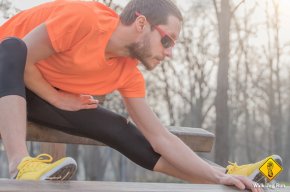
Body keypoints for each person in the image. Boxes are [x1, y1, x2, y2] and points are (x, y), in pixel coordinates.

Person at [0, 0, 282, 191]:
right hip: (8, 71)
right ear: (140, 23)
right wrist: (58, 98)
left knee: (117, 128)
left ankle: (229, 172)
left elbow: (161, 138)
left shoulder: (128, 73)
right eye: (167, 40)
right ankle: (21, 165)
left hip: (33, 95)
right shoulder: (85, 20)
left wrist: (218, 177)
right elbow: (16, 57)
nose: (169, 52)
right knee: (12, 47)